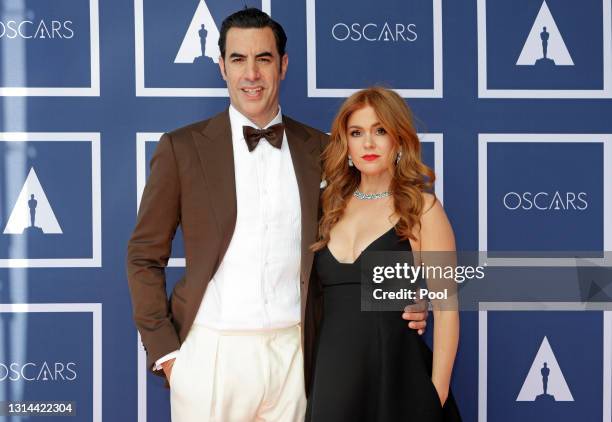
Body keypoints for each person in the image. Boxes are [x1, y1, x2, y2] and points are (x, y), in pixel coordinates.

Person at [126, 8, 429, 422]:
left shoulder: (324, 150)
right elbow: (144, 255)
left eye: (263, 59)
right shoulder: (182, 148)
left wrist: (410, 293)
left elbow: (374, 224)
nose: (251, 74)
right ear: (222, 67)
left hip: (298, 356)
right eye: (238, 59)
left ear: (283, 66)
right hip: (212, 355)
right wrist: (168, 355)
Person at [306, 87, 462, 421]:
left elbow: (447, 311)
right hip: (332, 382)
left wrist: (436, 394)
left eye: (380, 131)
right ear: (345, 143)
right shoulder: (326, 208)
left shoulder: (423, 210)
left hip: (399, 385)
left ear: (399, 140)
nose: (369, 143)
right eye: (357, 133)